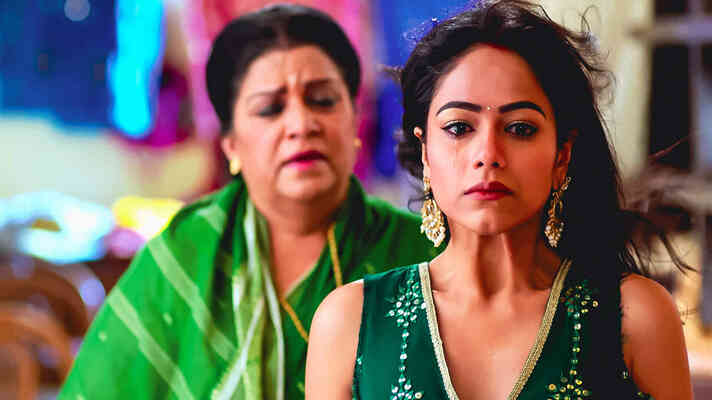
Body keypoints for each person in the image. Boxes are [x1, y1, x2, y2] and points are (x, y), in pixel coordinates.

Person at [305, 1, 693, 399]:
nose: (488, 153)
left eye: (520, 128)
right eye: (459, 127)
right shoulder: (350, 323)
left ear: (561, 156)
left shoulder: (634, 318)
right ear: (426, 153)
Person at [58, 4, 438, 400]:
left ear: (354, 122)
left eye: (323, 100)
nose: (301, 124)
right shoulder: (186, 255)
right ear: (231, 144)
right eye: (270, 109)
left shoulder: (423, 256)